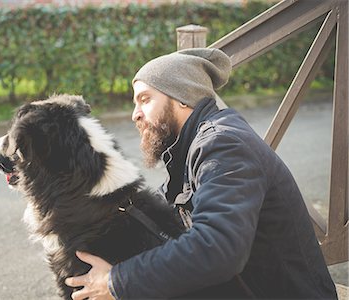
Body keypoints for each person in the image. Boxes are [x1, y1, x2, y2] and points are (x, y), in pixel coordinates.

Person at [65, 48, 337, 299]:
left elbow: (218, 248)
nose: (135, 114)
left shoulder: (223, 145)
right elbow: (159, 219)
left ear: (183, 99)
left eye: (145, 100)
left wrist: (116, 281)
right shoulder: (191, 149)